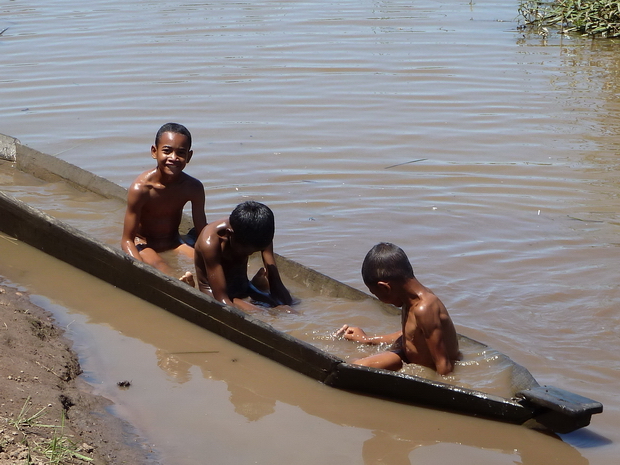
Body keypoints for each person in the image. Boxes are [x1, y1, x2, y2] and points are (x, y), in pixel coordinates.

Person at [335, 242, 460, 375]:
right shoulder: (410, 301)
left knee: (356, 369)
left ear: (385, 288)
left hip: (421, 364)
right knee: (355, 365)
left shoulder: (425, 309)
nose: (380, 299)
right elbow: (409, 334)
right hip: (406, 356)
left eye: (376, 294)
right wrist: (367, 340)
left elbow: (444, 365)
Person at [121, 123, 207, 284]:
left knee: (208, 263)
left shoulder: (193, 187)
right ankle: (182, 285)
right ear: (154, 152)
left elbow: (203, 232)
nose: (173, 158)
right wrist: (138, 266)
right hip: (144, 244)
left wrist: (213, 258)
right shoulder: (141, 188)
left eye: (181, 153)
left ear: (189, 156)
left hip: (174, 241)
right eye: (167, 151)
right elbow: (127, 240)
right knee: (160, 265)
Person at [194, 200, 293, 312]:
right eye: (248, 253)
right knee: (261, 312)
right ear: (229, 235)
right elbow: (221, 298)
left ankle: (258, 283)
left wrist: (285, 303)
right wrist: (266, 313)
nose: (250, 254)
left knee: (287, 308)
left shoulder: (259, 232)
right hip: (215, 291)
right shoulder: (210, 243)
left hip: (243, 286)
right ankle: (258, 286)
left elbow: (276, 282)